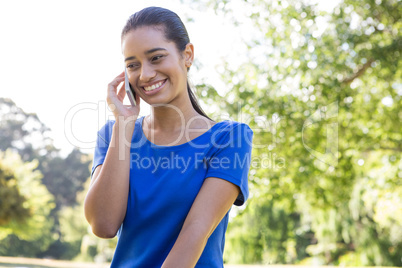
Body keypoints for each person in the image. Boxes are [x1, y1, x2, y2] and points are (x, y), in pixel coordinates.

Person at [84, 6, 253, 268]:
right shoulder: (113, 135)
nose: (145, 74)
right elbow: (103, 225)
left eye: (156, 58)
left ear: (187, 55)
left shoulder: (230, 138)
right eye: (133, 64)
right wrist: (124, 124)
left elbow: (195, 232)